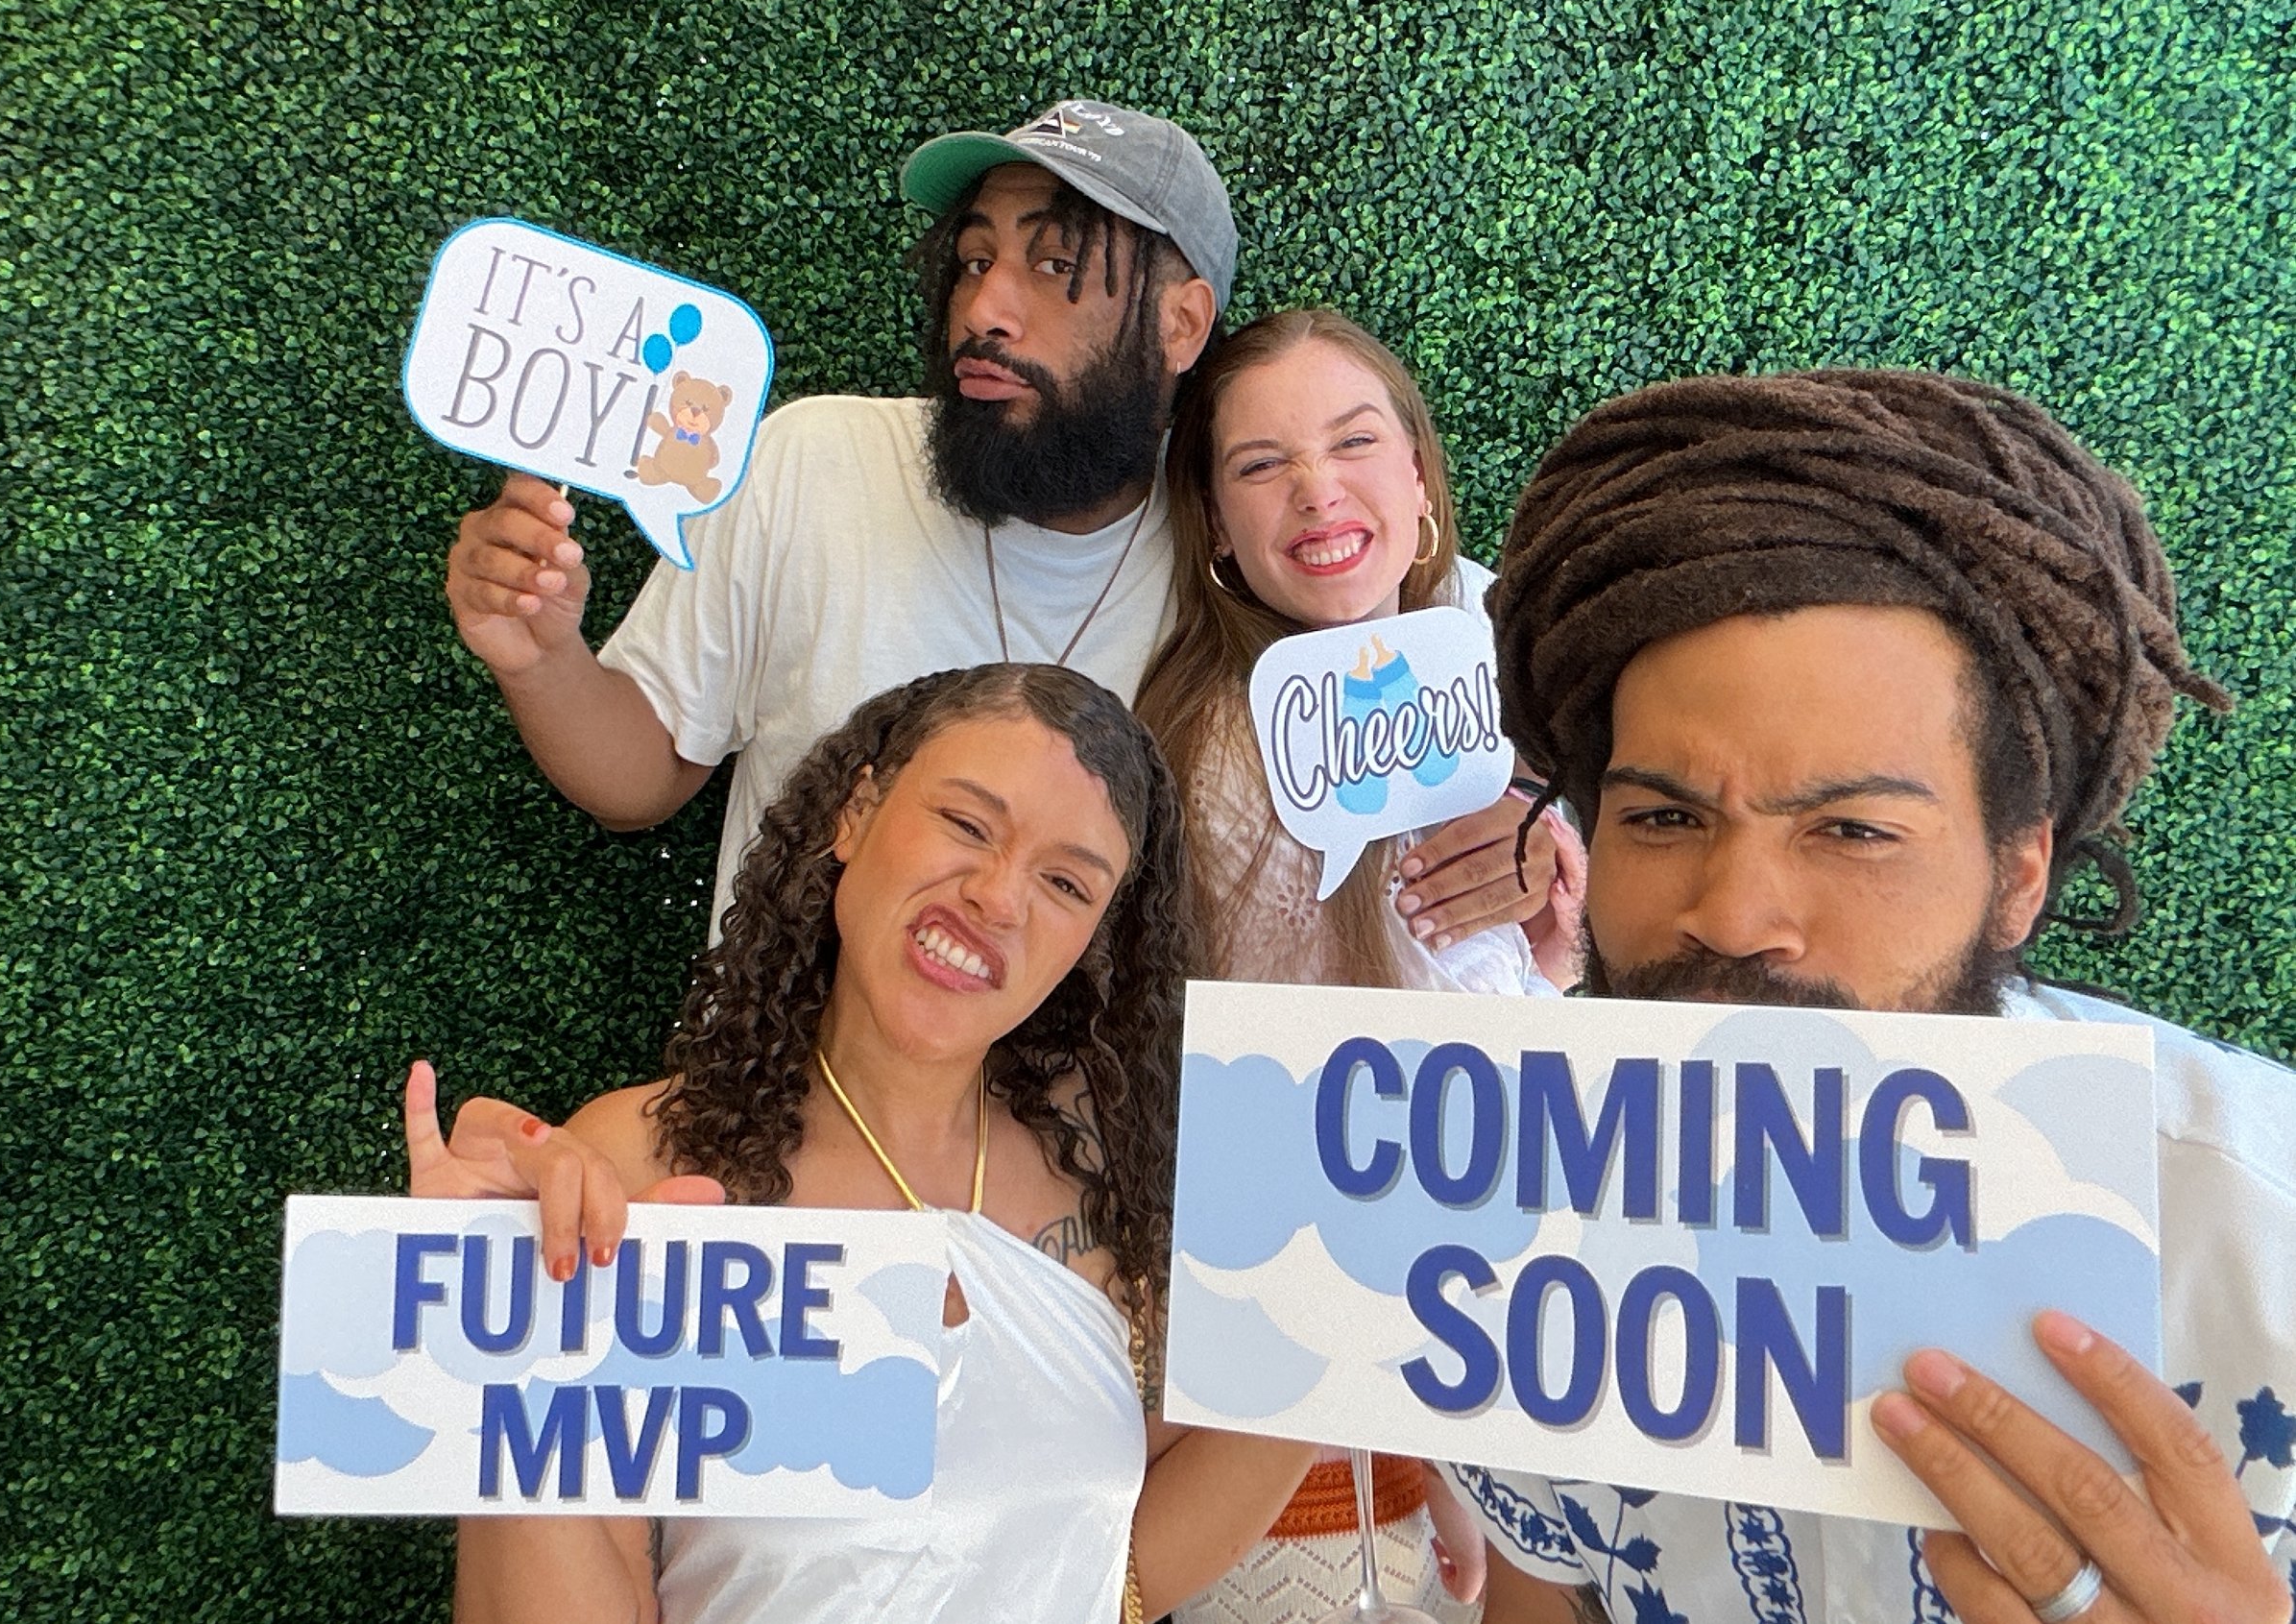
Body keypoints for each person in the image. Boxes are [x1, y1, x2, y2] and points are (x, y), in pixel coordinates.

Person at [1449, 368, 2296, 1624]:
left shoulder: (2258, 1245)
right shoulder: (1491, 1197)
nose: (1731, 913)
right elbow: (1549, 1583)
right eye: (1664, 814)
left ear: (2018, 877)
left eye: (1851, 827)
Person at [441, 99, 1545, 957]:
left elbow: (1521, 692)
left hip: (1092, 1167)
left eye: (1054, 268)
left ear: (1178, 323)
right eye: (974, 260)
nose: (983, 308)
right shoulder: (812, 460)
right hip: (784, 1129)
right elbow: (638, 776)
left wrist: (1538, 823)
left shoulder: (1258, 539)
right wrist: (542, 656)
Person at [405, 662, 1316, 1623]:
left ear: (1096, 934)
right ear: (856, 812)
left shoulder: (1105, 1168)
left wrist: (1344, 1346)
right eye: (966, 825)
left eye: (1064, 882)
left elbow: (1108, 1573)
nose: (998, 898)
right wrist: (502, 1334)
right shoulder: (640, 1164)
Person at [1135, 311, 1583, 1624]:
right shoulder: (1207, 749)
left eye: (1354, 442)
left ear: (1424, 484)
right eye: (1262, 463)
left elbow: (1506, 1021)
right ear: (1215, 525)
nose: (1319, 487)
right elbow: (1288, 1106)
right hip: (1309, 1377)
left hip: (1494, 1337)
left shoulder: (1500, 705)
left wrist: (1557, 935)